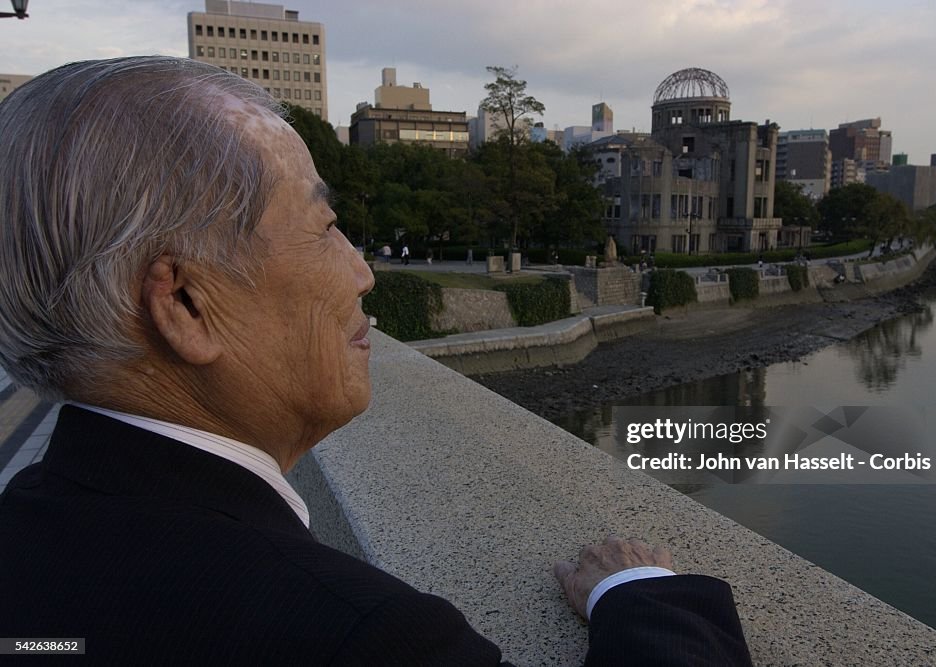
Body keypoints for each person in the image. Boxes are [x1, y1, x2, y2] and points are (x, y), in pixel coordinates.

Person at [0, 57, 751, 666]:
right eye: (326, 227)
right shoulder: (359, 635)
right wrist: (645, 590)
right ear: (188, 305)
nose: (363, 272)